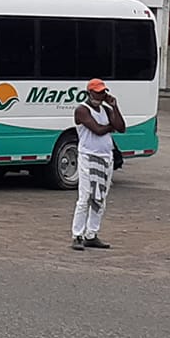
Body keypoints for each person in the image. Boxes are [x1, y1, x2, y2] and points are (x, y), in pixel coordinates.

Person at [71, 78, 125, 251]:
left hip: (105, 157)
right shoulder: (82, 110)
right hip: (88, 157)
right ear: (89, 92)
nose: (102, 95)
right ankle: (77, 235)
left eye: (103, 92)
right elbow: (98, 130)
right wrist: (111, 127)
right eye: (98, 92)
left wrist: (114, 107)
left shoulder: (106, 110)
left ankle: (91, 234)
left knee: (100, 198)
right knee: (85, 197)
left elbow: (121, 127)